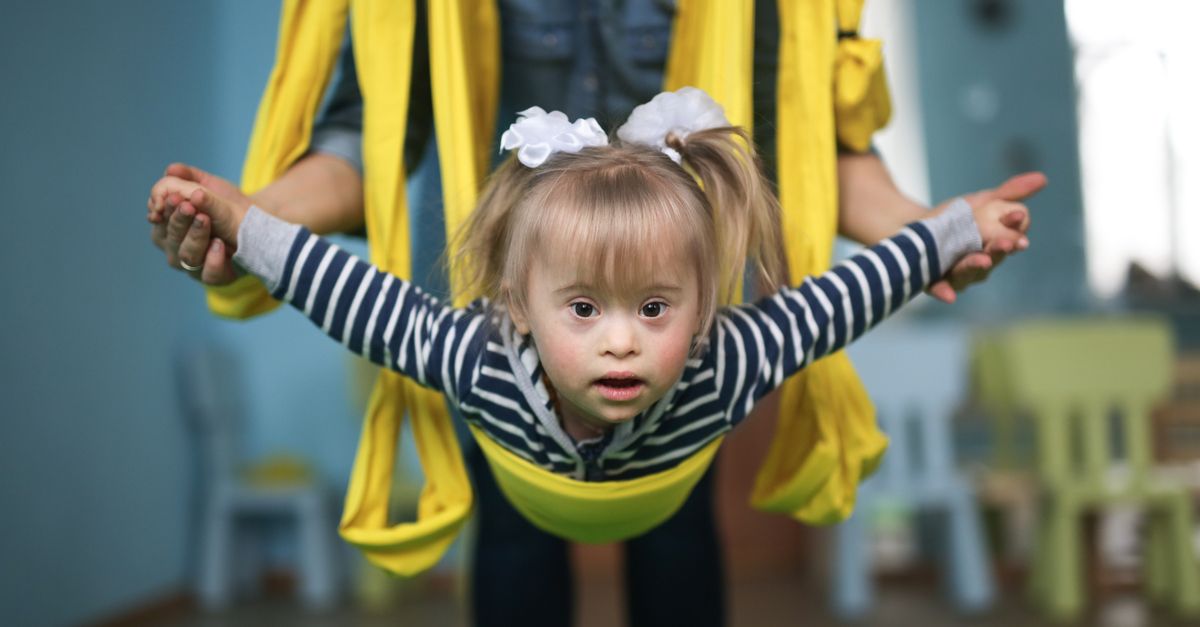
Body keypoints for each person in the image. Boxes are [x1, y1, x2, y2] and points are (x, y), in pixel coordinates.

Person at [148, 86, 1031, 568]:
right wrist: (241, 220)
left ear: (707, 300)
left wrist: (959, 226)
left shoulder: (728, 356)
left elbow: (855, 290)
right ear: (515, 304)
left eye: (655, 308)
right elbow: (336, 285)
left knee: (683, 568)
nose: (621, 340)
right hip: (520, 484)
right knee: (515, 569)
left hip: (669, 495)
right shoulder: (476, 351)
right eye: (582, 309)